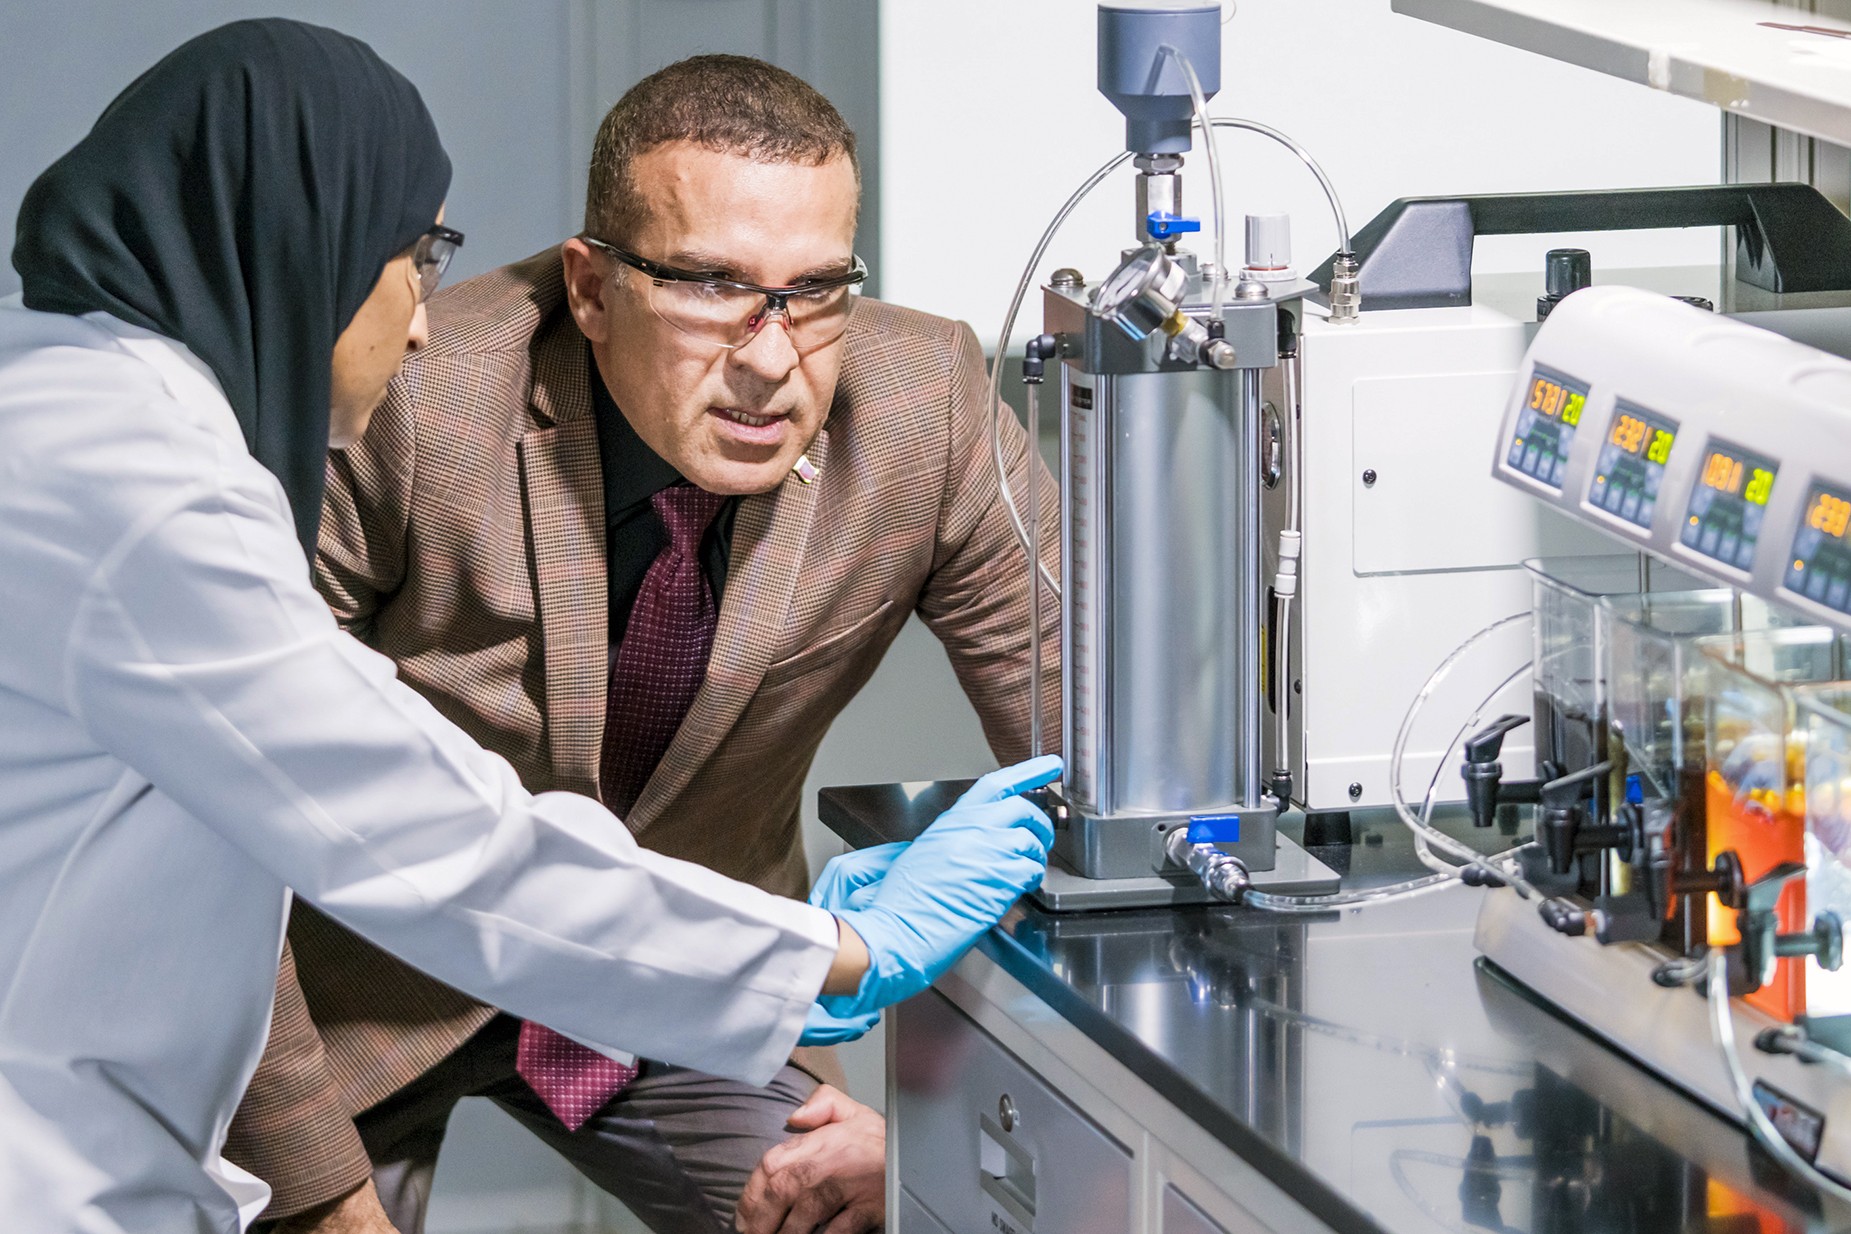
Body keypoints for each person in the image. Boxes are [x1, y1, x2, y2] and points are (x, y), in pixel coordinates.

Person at [0, 22, 1057, 1234]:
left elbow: (1105, 751)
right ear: (592, 289)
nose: (416, 325)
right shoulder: (183, 484)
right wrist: (843, 951)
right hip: (351, 1002)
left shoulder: (78, 399)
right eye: (713, 287)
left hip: (648, 982)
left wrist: (942, 1117)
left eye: (815, 291)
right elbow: (435, 846)